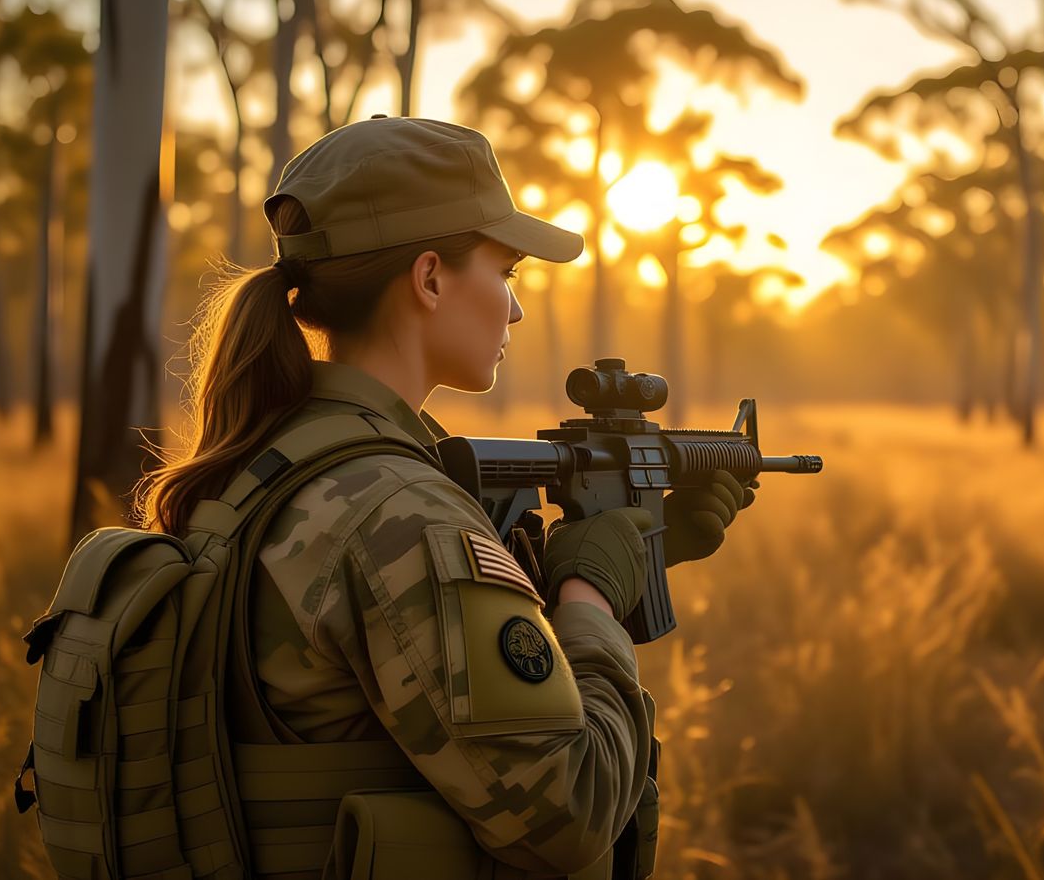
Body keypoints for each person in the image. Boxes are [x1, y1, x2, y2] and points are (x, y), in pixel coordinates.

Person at [131, 116, 753, 879]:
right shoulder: (394, 509)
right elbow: (569, 815)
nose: (516, 310)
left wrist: (635, 551)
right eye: (508, 273)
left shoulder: (275, 457)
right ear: (429, 278)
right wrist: (591, 594)